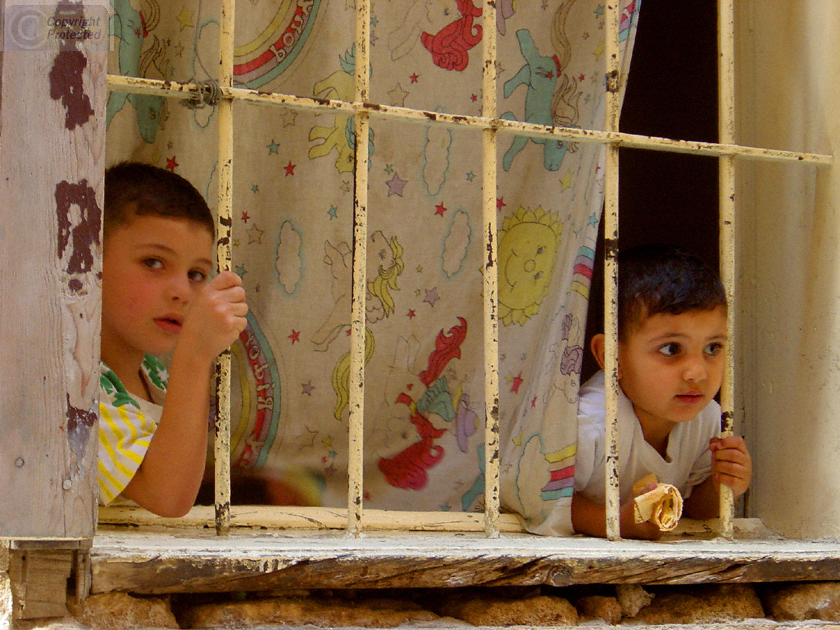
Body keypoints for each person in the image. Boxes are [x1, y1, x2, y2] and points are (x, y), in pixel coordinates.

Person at [571, 244, 752, 539]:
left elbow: (693, 507)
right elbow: (541, 500)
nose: (698, 372)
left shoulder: (707, 420)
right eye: (671, 349)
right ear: (611, 357)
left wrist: (723, 485)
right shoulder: (589, 424)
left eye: (712, 348)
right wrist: (613, 523)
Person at [98, 162, 248, 517]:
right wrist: (195, 356)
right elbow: (166, 496)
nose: (183, 292)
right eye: (153, 262)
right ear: (89, 260)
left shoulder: (152, 373)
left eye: (197, 273)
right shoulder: (75, 386)